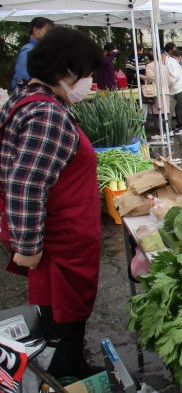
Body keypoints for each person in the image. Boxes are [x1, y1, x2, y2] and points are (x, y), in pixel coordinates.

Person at [0, 26, 104, 379]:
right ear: (66, 72)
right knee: (64, 318)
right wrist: (28, 246)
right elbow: (26, 185)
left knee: (62, 319)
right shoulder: (47, 115)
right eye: (86, 74)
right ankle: (64, 377)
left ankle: (72, 368)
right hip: (61, 243)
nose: (88, 81)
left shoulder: (34, 99)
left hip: (62, 236)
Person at [11, 17, 54, 90]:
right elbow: (22, 80)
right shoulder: (29, 51)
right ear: (35, 30)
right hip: (30, 97)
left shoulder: (40, 51)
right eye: (48, 30)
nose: (51, 35)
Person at [164, 43, 182, 135]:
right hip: (176, 88)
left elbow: (175, 76)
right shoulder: (168, 61)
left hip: (180, 87)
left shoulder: (170, 61)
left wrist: (168, 84)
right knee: (177, 108)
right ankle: (180, 125)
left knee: (181, 108)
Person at [144, 50, 171, 137]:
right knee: (166, 112)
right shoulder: (164, 66)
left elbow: (150, 77)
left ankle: (162, 132)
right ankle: (168, 130)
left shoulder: (149, 66)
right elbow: (169, 79)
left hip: (156, 91)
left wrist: (144, 78)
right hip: (166, 90)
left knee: (157, 112)